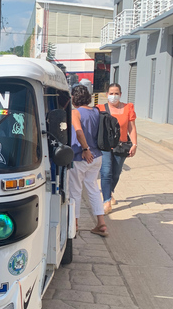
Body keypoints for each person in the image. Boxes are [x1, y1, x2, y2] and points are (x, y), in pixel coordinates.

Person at [69, 85, 108, 237]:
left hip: (81, 156)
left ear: (74, 97)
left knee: (75, 191)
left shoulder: (75, 113)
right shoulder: (96, 112)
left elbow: (79, 132)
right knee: (93, 189)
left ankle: (75, 224)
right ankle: (101, 223)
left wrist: (85, 149)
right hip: (97, 156)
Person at [97, 83, 137, 214]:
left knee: (116, 172)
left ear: (120, 94)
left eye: (116, 93)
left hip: (121, 146)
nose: (114, 96)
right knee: (106, 172)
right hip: (106, 146)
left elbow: (131, 128)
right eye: (111, 93)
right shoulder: (100, 108)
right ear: (107, 94)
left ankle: (109, 191)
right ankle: (106, 200)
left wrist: (135, 144)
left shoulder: (128, 108)